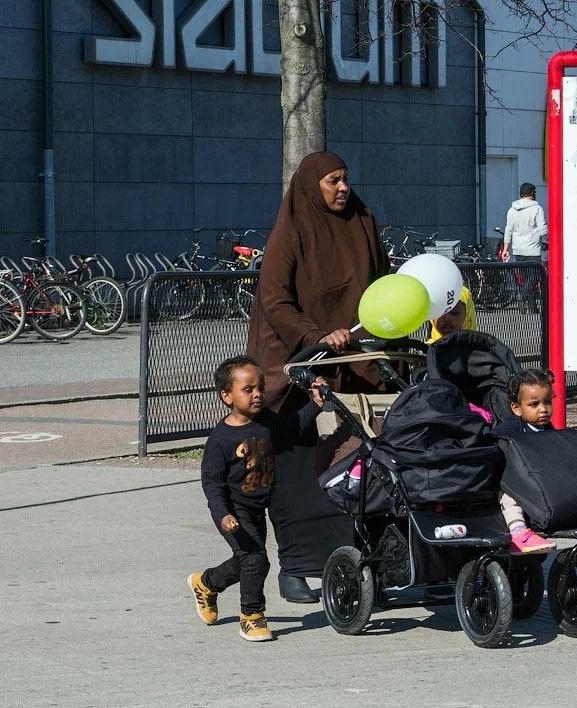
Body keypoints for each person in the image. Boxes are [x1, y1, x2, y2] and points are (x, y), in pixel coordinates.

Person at [246, 152, 390, 603]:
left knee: (358, 466)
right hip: (296, 365)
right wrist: (316, 338)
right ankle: (297, 568)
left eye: (346, 179)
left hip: (353, 360)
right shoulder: (292, 229)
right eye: (332, 181)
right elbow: (275, 298)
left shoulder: (362, 219)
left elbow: (382, 281)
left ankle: (364, 566)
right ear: (313, 185)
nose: (342, 188)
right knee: (297, 473)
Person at [188, 356, 326, 641]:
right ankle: (251, 616)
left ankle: (206, 583)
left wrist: (315, 405)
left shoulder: (265, 421)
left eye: (260, 388)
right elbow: (212, 484)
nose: (258, 394)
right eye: (248, 389)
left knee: (246, 562)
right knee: (256, 560)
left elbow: (291, 430)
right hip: (233, 510)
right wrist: (223, 514)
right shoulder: (220, 439)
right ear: (227, 396)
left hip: (256, 507)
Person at [492, 369, 557, 554]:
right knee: (509, 497)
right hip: (514, 483)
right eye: (534, 404)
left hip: (539, 482)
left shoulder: (550, 430)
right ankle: (518, 531)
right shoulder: (508, 430)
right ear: (517, 408)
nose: (543, 409)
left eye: (547, 402)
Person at [501, 182, 548, 314]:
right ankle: (522, 297)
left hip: (517, 250)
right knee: (534, 277)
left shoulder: (512, 210)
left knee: (527, 278)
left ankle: (533, 308)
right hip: (532, 249)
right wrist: (547, 241)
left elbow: (508, 230)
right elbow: (542, 229)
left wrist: (506, 249)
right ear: (532, 193)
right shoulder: (537, 209)